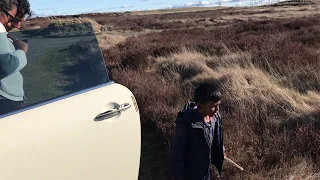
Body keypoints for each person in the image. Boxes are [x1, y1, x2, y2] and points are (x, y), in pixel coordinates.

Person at [170, 82, 225, 180]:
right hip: (190, 173)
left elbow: (216, 138)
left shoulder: (215, 117)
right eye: (214, 106)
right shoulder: (188, 123)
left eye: (218, 105)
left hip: (205, 171)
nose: (217, 109)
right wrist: (177, 176)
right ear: (200, 106)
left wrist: (221, 150)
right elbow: (178, 151)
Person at [0, 0, 29, 115]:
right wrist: (22, 50)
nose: (17, 26)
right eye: (13, 19)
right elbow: (6, 65)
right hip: (4, 100)